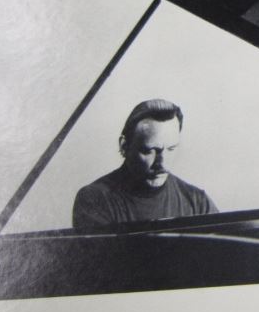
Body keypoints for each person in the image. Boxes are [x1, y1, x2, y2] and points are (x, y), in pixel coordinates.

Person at [72, 98, 217, 229]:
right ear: (124, 146)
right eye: (149, 151)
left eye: (171, 149)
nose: (162, 164)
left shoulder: (197, 202)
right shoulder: (95, 200)